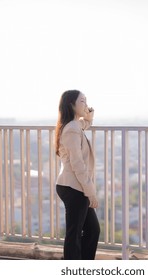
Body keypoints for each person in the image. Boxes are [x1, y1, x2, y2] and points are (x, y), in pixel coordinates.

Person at [55, 90, 100, 260]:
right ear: (72, 105)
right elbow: (78, 166)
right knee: (73, 235)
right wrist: (91, 192)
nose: (86, 105)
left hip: (73, 185)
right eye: (82, 101)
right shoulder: (71, 129)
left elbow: (84, 125)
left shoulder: (72, 125)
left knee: (92, 230)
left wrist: (89, 117)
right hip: (73, 187)